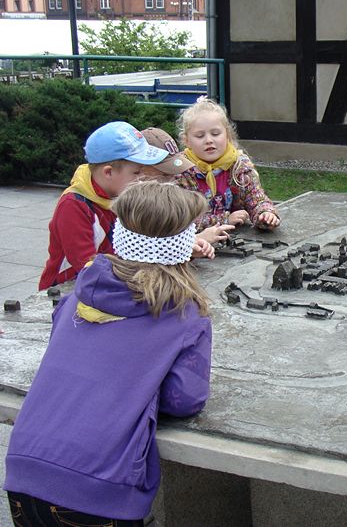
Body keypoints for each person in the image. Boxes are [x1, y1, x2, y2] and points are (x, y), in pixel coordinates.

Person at [5, 181, 212, 525]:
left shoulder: (76, 297)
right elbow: (184, 400)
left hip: (25, 468)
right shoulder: (184, 316)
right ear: (183, 245)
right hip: (97, 489)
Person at [38, 121, 170, 290]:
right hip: (68, 289)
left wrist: (175, 250)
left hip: (110, 280)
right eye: (137, 172)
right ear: (108, 172)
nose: (143, 177)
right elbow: (87, 265)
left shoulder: (119, 195)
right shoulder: (73, 206)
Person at [175, 97, 280, 231]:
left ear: (227, 135)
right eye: (200, 136)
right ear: (187, 141)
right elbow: (181, 218)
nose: (209, 140)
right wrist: (224, 220)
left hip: (238, 239)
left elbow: (255, 198)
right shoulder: (181, 172)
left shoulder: (239, 166)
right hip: (198, 243)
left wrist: (265, 213)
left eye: (215, 133)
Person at [141, 127, 235, 251]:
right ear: (138, 169)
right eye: (164, 175)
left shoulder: (165, 195)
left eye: (174, 175)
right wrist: (194, 240)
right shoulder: (136, 207)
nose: (172, 182)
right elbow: (148, 250)